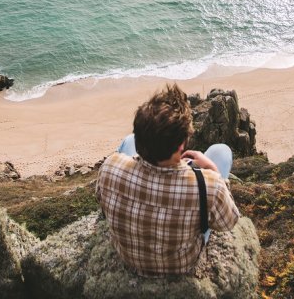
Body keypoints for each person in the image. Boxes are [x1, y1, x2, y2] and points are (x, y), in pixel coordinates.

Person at [95, 83, 240, 276]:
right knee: (221, 151)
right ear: (181, 145)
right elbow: (228, 222)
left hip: (128, 257)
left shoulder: (110, 166)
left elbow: (101, 200)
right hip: (180, 264)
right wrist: (212, 171)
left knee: (126, 141)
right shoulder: (208, 185)